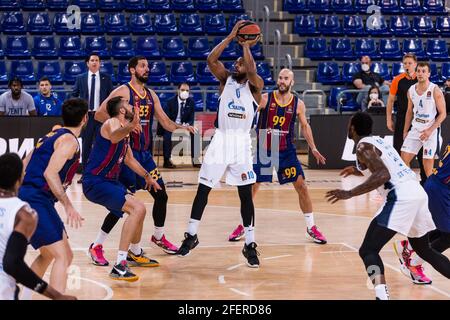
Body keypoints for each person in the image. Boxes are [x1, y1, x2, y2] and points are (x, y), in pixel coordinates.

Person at [326, 112, 450, 300]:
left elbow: (383, 174)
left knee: (368, 250)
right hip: (417, 193)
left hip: (401, 197)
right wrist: (358, 171)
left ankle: (382, 296)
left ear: (352, 128)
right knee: (425, 250)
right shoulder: (378, 141)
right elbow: (385, 166)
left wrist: (349, 193)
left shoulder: (363, 146)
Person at [87, 56, 195, 267]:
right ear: (132, 70)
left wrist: (183, 127)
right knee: (123, 205)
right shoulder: (123, 92)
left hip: (144, 157)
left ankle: (158, 236)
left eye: (148, 66)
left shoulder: (151, 95)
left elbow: (165, 122)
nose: (147, 69)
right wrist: (124, 125)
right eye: (143, 66)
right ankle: (98, 245)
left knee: (161, 194)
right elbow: (100, 114)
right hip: (128, 155)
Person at [176, 21, 265, 268]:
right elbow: (211, 60)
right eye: (236, 63)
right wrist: (230, 37)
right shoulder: (226, 80)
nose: (238, 65)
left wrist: (246, 45)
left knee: (245, 194)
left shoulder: (256, 85)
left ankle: (250, 244)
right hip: (221, 138)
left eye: (240, 63)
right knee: (203, 189)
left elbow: (251, 67)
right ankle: (191, 235)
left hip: (241, 143)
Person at [228, 68, 328, 245]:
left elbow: (305, 127)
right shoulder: (265, 98)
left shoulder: (298, 104)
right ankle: (243, 225)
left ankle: (311, 227)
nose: (282, 81)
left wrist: (313, 148)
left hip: (286, 150)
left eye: (285, 78)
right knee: (252, 187)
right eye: (280, 78)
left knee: (302, 186)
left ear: (292, 82)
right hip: (265, 149)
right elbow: (248, 115)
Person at [83, 96, 162, 281]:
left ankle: (134, 252)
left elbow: (129, 160)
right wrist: (131, 124)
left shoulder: (124, 132)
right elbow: (113, 137)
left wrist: (147, 177)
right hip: (95, 181)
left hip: (110, 181)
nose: (131, 105)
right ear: (122, 111)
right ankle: (120, 264)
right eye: (128, 104)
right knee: (137, 208)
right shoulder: (111, 123)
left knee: (138, 210)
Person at [18, 98, 87, 298]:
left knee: (52, 254)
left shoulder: (52, 134)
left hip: (34, 197)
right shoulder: (69, 141)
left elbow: (24, 163)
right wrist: (68, 205)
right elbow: (50, 173)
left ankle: (23, 297)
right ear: (85, 118)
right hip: (36, 198)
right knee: (62, 256)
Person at [0, 153, 76, 300]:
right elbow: (12, 264)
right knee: (62, 255)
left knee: (50, 254)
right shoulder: (24, 214)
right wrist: (56, 296)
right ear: (20, 179)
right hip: (3, 292)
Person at [393, 141, 450, 285]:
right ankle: (413, 262)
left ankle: (408, 248)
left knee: (443, 230)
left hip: (440, 187)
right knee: (448, 235)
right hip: (440, 190)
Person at [71, 53, 114, 180]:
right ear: (87, 63)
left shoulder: (106, 78)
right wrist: (79, 110)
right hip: (87, 116)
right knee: (86, 145)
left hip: (101, 116)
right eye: (92, 60)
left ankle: (102, 173)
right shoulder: (81, 78)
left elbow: (111, 97)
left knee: (103, 145)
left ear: (100, 63)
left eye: (97, 60)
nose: (94, 62)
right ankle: (85, 174)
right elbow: (74, 94)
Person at [386, 53, 427, 185]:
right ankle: (403, 181)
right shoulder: (397, 80)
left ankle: (424, 179)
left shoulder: (421, 79)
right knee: (399, 150)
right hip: (402, 118)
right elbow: (390, 101)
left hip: (420, 120)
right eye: (405, 63)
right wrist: (388, 119)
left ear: (415, 64)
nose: (407, 66)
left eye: (409, 63)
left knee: (421, 151)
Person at [401, 62, 447, 177]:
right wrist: (405, 131)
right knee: (403, 161)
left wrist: (430, 131)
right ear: (415, 73)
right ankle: (411, 187)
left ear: (429, 74)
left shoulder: (435, 90)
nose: (420, 73)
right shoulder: (411, 90)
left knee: (428, 169)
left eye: (423, 71)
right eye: (419, 71)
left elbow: (443, 114)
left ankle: (433, 193)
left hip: (430, 131)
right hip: (415, 128)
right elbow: (409, 112)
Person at [157, 82, 201, 168]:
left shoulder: (191, 102)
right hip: (170, 125)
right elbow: (167, 120)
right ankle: (166, 161)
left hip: (184, 126)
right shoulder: (170, 102)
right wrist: (177, 126)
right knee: (167, 134)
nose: (185, 92)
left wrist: (187, 126)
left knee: (196, 131)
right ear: (178, 91)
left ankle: (195, 160)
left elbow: (191, 119)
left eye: (187, 90)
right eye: (183, 90)